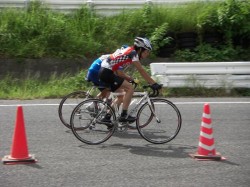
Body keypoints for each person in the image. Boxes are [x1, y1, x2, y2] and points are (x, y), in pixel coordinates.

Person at [98, 37, 162, 123]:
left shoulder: (129, 51)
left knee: (122, 95)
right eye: (146, 52)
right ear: (140, 49)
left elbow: (118, 70)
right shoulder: (133, 53)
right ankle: (123, 115)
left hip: (106, 71)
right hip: (107, 72)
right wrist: (153, 83)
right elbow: (141, 70)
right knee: (130, 88)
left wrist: (130, 80)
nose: (147, 55)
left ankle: (107, 117)